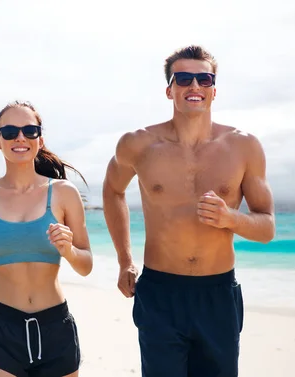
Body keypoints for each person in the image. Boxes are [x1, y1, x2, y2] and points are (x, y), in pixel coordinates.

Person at [102, 45, 275, 377]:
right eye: (183, 78)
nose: (194, 86)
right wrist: (125, 260)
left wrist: (230, 218)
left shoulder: (243, 146)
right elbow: (112, 191)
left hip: (217, 294)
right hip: (159, 291)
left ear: (214, 89)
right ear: (170, 90)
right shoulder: (138, 144)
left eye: (203, 78)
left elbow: (267, 228)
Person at [0, 100, 93, 377]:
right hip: (2, 327)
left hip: (56, 326)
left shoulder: (64, 193)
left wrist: (67, 250)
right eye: (9, 132)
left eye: (29, 130)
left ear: (39, 140)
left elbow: (86, 265)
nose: (20, 137)